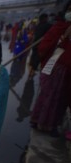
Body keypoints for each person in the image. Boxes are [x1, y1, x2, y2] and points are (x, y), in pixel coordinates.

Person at [30, 1, 71, 137]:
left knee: (56, 98)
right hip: (54, 66)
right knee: (50, 96)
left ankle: (41, 122)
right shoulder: (59, 27)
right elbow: (44, 46)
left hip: (63, 68)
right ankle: (43, 124)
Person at [28, 13, 52, 78]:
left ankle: (30, 71)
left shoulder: (38, 25)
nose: (48, 19)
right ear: (45, 18)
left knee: (33, 57)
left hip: (35, 44)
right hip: (40, 45)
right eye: (47, 18)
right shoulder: (48, 25)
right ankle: (31, 73)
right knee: (36, 59)